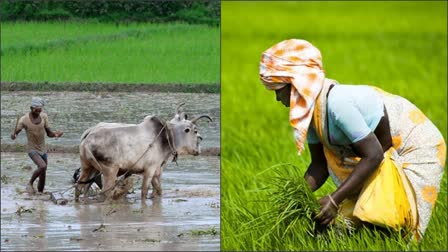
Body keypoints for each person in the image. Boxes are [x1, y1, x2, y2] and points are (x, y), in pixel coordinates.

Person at [259, 39, 445, 239]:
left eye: (278, 91)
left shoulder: (337, 104)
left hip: (415, 146)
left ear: (297, 85)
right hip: (381, 153)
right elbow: (319, 165)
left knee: (390, 221)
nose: (278, 99)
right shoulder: (312, 113)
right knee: (333, 230)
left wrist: (334, 199)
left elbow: (374, 155)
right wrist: (296, 197)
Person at [11, 97, 63, 194]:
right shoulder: (24, 120)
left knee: (43, 173)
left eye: (40, 110)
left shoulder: (43, 117)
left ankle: (40, 193)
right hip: (32, 149)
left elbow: (49, 133)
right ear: (31, 108)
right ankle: (30, 183)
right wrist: (13, 135)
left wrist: (56, 134)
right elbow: (15, 133)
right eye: (36, 110)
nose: (38, 112)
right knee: (42, 166)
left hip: (43, 149)